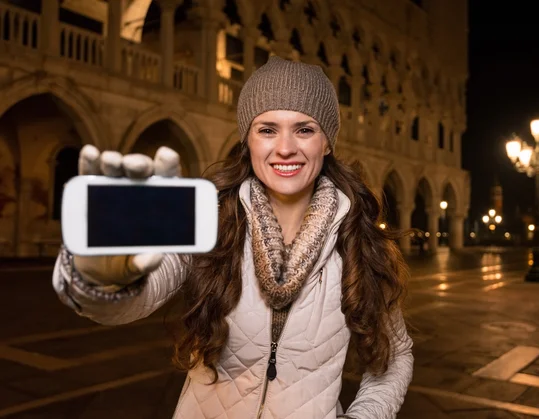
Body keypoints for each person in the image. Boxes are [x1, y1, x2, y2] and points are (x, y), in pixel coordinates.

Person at [52, 56, 413, 419]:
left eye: (304, 129)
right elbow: (131, 303)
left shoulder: (360, 244)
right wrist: (100, 280)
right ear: (248, 141)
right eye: (267, 129)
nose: (285, 147)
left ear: (327, 143)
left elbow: (394, 357)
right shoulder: (211, 221)